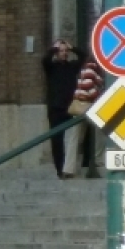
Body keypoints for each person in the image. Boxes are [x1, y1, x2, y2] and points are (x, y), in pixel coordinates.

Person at [42, 39, 81, 179]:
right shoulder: (51, 67)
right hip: (55, 108)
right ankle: (60, 169)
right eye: (61, 51)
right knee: (57, 140)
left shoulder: (72, 66)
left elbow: (83, 56)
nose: (63, 54)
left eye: (65, 51)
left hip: (70, 107)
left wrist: (72, 48)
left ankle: (70, 167)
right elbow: (45, 60)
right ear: (56, 53)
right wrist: (54, 48)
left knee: (73, 138)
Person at [62, 53, 103, 179]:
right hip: (87, 104)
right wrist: (98, 96)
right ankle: (97, 161)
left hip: (80, 104)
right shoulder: (91, 68)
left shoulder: (85, 68)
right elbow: (88, 86)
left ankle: (69, 168)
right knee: (99, 133)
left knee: (75, 137)